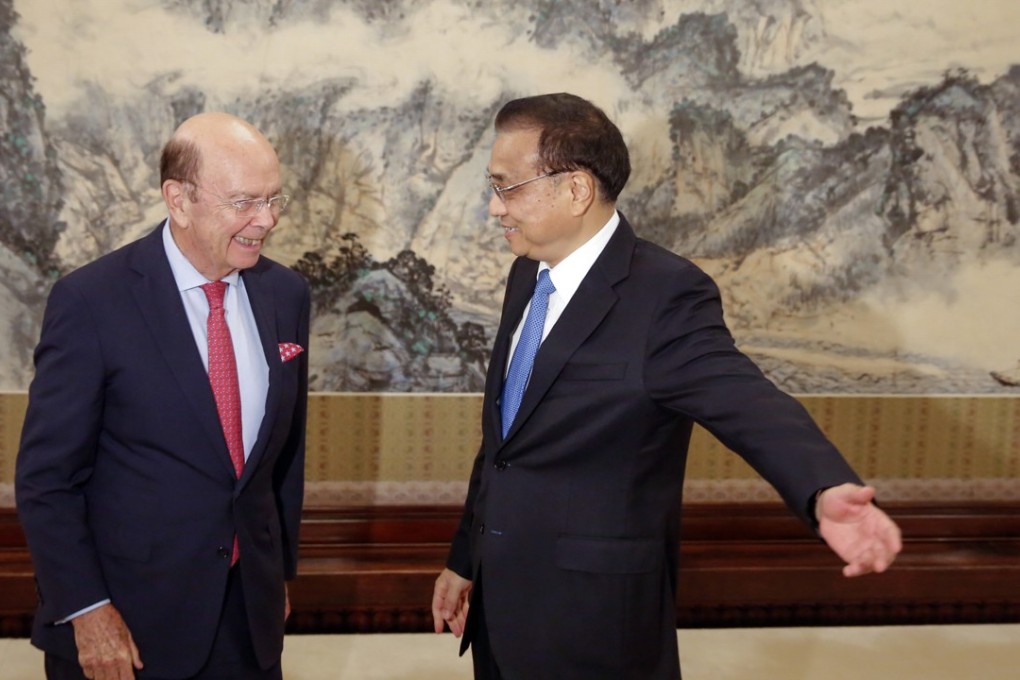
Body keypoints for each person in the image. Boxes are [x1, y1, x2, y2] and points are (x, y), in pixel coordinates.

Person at [431, 93, 902, 680]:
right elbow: (505, 444)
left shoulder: (667, 294)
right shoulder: (527, 275)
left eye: (507, 187)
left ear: (575, 190)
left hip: (593, 624)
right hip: (499, 609)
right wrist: (465, 559)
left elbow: (746, 401)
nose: (495, 208)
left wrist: (824, 487)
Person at [15, 112, 309, 680]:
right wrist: (86, 610)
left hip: (249, 618)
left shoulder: (285, 293)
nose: (266, 220)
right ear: (179, 199)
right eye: (244, 202)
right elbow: (47, 480)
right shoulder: (91, 301)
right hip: (125, 626)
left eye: (275, 199)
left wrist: (276, 575)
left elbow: (283, 456)